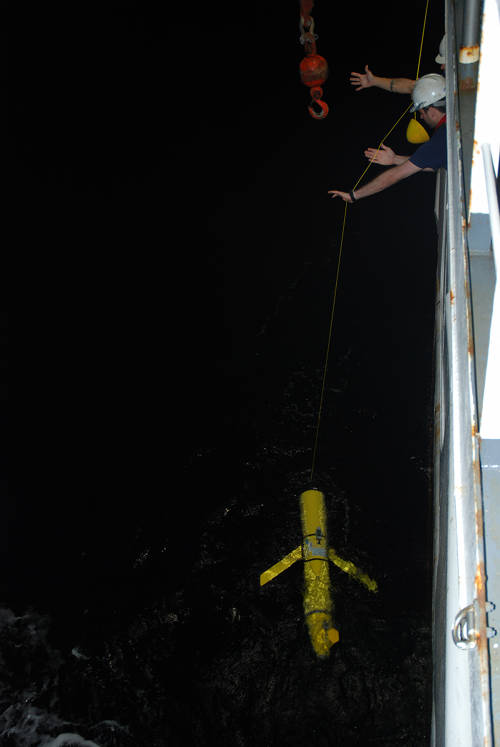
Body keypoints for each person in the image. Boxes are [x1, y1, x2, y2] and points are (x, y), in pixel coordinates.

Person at [328, 74, 446, 204]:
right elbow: (428, 164)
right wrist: (394, 159)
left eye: (421, 113)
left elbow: (395, 175)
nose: (422, 117)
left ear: (432, 111)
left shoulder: (440, 139)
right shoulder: (454, 105)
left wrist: (354, 195)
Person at [349, 35, 446, 94]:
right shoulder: (443, 84)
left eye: (444, 62)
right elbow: (410, 86)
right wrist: (374, 81)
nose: (441, 67)